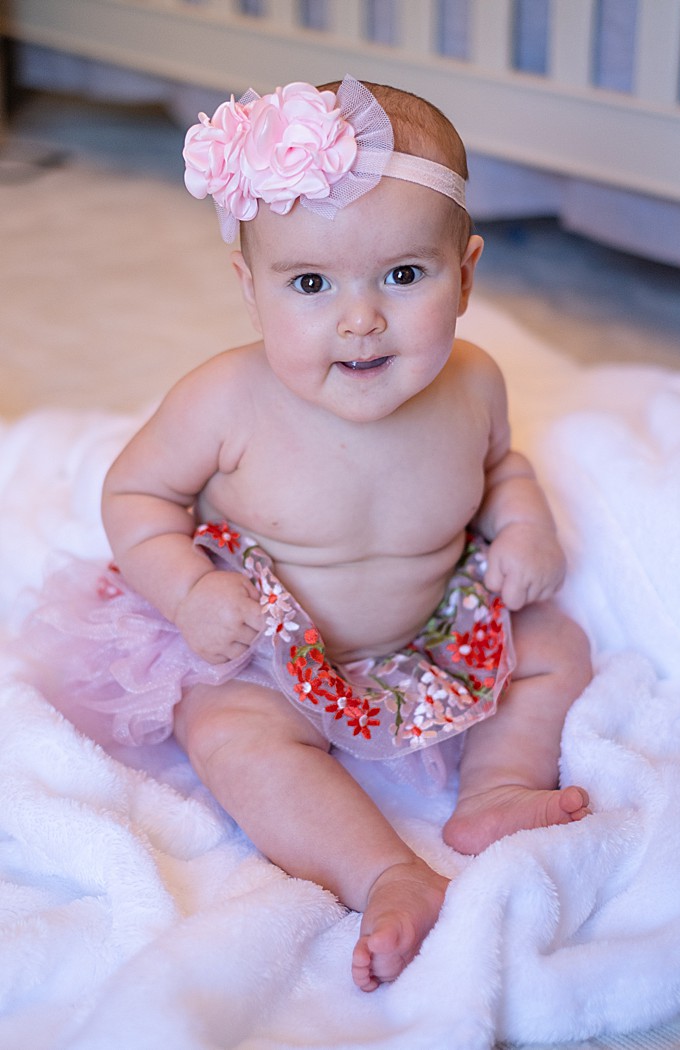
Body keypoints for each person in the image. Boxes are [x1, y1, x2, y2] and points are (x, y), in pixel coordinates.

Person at [27, 77, 593, 992]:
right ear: (252, 290)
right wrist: (188, 590)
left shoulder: (474, 385)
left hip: (426, 633)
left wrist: (526, 527)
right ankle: (382, 872)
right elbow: (135, 494)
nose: (360, 317)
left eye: (404, 276)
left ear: (468, 273)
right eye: (310, 282)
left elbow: (501, 471)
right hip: (267, 647)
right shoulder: (224, 399)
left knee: (557, 644)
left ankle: (497, 787)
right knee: (230, 734)